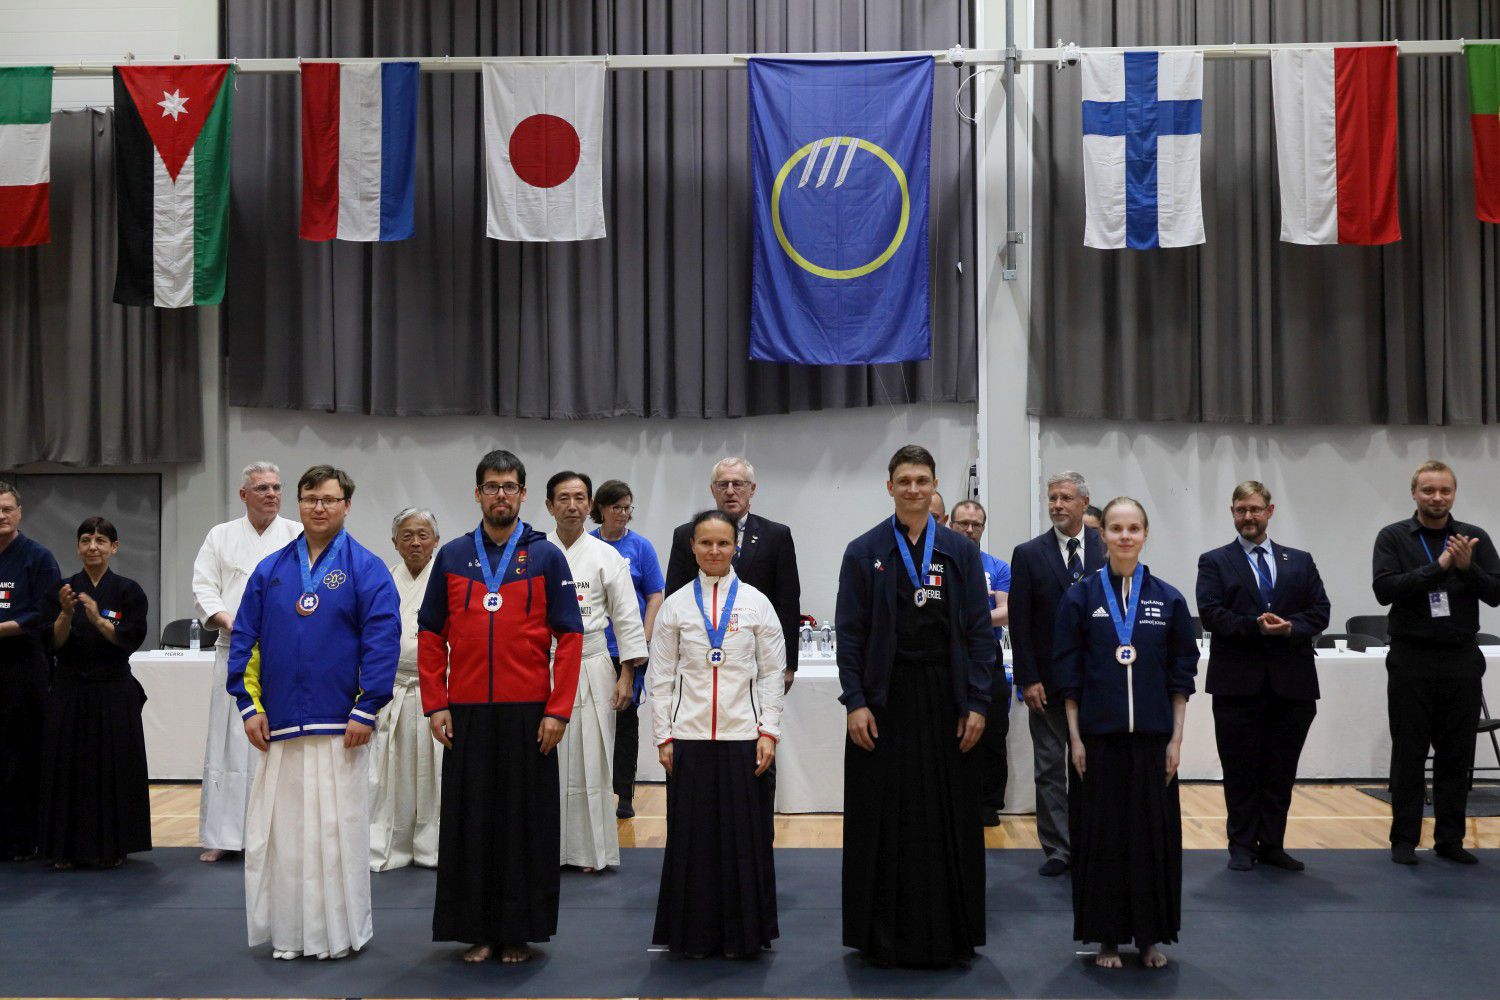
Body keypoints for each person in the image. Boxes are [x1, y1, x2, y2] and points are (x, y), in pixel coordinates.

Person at [227, 465, 400, 960]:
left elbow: (382, 641)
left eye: (328, 499)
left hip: (339, 723)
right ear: (298, 504)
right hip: (280, 722)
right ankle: (291, 933)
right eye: (309, 499)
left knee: (335, 835)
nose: (318, 507)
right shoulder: (272, 568)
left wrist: (367, 709)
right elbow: (245, 638)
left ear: (347, 505)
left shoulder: (366, 568)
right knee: (285, 837)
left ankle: (339, 934)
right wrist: (247, 704)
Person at [420, 449, 584, 964]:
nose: (500, 495)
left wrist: (558, 710)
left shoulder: (545, 556)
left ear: (523, 495)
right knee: (471, 825)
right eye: (491, 486)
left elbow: (571, 636)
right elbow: (429, 634)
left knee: (523, 825)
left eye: (509, 486)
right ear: (477, 494)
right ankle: (477, 929)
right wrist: (436, 702)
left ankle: (518, 931)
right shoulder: (450, 556)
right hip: (466, 711)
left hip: (528, 713)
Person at [836, 445, 993, 967]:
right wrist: (855, 702)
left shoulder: (960, 552)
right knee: (882, 817)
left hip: (947, 702)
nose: (912, 489)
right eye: (903, 480)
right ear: (889, 487)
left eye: (922, 480)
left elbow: (978, 632)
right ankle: (879, 935)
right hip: (884, 702)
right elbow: (851, 636)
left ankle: (953, 931)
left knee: (950, 816)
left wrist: (977, 701)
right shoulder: (863, 551)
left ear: (934, 487)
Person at [1053, 496, 1198, 969]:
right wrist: (1075, 738)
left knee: (1151, 841)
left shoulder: (1168, 598)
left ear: (1145, 534)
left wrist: (1175, 741)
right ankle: (1109, 939)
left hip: (1153, 742)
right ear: (1103, 535)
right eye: (1116, 528)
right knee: (1104, 840)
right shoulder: (1080, 596)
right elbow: (1069, 676)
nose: (1124, 536)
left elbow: (1181, 677)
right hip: (1098, 742)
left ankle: (1151, 938)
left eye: (1133, 528)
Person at [648, 509, 786, 958]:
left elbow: (770, 674)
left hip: (743, 738)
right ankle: (692, 935)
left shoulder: (757, 603)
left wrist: (769, 731)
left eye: (722, 544)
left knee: (743, 841)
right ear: (692, 547)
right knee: (692, 840)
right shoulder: (675, 605)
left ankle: (743, 935)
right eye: (705, 543)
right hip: (688, 738)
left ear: (734, 548)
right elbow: (662, 676)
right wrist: (663, 736)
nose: (713, 551)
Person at [1196, 481, 1329, 872]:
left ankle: (1272, 843)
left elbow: (1320, 612)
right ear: (1232, 512)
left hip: (1293, 685)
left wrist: (1289, 627)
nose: (1248, 517)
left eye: (1255, 509)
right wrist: (1255, 626)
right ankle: (1240, 845)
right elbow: (1211, 614)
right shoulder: (1215, 561)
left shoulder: (1300, 561)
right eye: (1241, 510)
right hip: (1238, 684)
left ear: (1270, 512)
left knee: (1280, 770)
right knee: (1239, 770)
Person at [1373, 460, 1500, 866]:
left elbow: (1496, 593)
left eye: (1444, 490)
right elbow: (1385, 589)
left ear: (1454, 493)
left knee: (1456, 753)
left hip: (1461, 657)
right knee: (1408, 751)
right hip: (1412, 657)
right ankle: (1404, 839)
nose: (1437, 497)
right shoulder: (1394, 537)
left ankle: (1450, 839)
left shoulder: (1474, 537)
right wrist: (1440, 567)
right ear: (1414, 493)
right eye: (1428, 490)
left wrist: (1468, 568)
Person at [191, 461, 301, 862]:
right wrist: (228, 621)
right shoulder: (220, 536)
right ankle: (222, 835)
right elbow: (204, 586)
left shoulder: (296, 534)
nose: (271, 494)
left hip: (283, 652)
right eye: (262, 488)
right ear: (244, 495)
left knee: (277, 739)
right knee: (229, 741)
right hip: (233, 647)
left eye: (276, 487)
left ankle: (278, 836)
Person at [545, 471, 648, 872]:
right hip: (544, 664)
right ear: (550, 505)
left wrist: (627, 676)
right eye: (564, 498)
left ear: (590, 506)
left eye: (580, 498)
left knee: (594, 758)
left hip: (593, 661)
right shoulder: (532, 552)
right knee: (546, 759)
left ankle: (592, 851)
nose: (573, 505)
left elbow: (627, 621)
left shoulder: (608, 556)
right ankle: (546, 849)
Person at [38, 517, 151, 869]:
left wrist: (99, 619)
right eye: (86, 540)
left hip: (113, 689)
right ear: (77, 546)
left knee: (112, 767)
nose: (93, 547)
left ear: (114, 548)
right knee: (66, 767)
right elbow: (51, 644)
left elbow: (130, 639)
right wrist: (66, 616)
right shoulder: (63, 589)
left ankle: (113, 846)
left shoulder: (128, 590)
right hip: (69, 687)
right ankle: (64, 849)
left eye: (101, 540)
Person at [1007, 471, 1104, 876]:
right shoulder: (1029, 553)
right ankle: (1058, 849)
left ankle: (1092, 842)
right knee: (1049, 767)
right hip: (1045, 683)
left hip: (1098, 684)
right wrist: (1027, 678)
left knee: (1092, 766)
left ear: (1084, 502)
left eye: (1065, 498)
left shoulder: (1107, 548)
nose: (1058, 505)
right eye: (1052, 499)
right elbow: (1020, 620)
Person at [666, 458, 800, 692]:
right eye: (722, 484)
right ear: (712, 490)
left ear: (752, 489)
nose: (730, 492)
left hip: (758, 654)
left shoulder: (776, 535)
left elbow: (787, 603)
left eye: (738, 484)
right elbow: (674, 597)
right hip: (699, 654)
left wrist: (789, 664)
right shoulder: (685, 534)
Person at [369, 507, 444, 871]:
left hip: (437, 688)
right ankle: (391, 845)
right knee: (390, 771)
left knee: (436, 772)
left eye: (423, 535)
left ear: (436, 541)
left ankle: (435, 847)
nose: (415, 542)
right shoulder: (382, 581)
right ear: (394, 543)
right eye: (407, 535)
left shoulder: (449, 580)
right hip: (392, 686)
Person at [589, 479, 666, 820]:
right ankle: (590, 791)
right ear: (601, 509)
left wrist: (643, 639)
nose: (622, 514)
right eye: (616, 507)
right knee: (589, 718)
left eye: (627, 507)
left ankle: (625, 793)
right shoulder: (587, 544)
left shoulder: (641, 547)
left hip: (627, 648)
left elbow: (654, 595)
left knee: (624, 720)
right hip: (590, 646)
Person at [0, 481, 61, 862]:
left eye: (7, 509)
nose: (1, 516)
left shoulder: (37, 557)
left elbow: (47, 612)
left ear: (19, 513)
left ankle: (25, 838)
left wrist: (5, 629)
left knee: (23, 753)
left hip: (23, 665)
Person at [951, 499, 1012, 827]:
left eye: (976, 525)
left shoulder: (997, 567)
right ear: (951, 524)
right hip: (947, 660)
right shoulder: (940, 562)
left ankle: (989, 804)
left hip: (986, 658)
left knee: (992, 734)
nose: (970, 530)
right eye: (963, 523)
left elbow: (1007, 610)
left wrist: (970, 620)